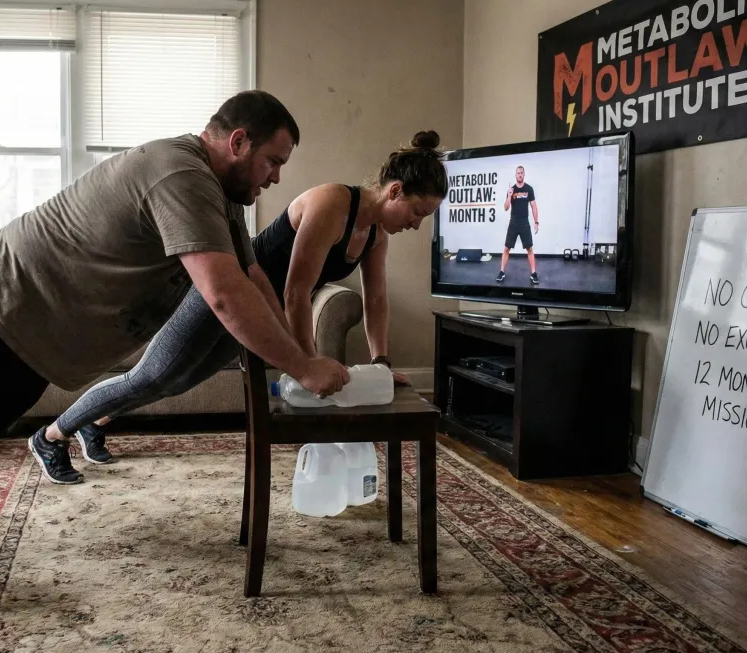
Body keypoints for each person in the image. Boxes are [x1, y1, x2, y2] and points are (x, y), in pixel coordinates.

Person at [0, 90, 352, 572]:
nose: (277, 177)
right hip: (3, 302)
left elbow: (253, 277)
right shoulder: (181, 175)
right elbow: (224, 295)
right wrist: (302, 368)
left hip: (34, 331)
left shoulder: (222, 198)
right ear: (238, 142)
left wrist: (298, 354)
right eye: (274, 161)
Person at [41, 131, 448, 477]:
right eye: (417, 211)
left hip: (258, 313)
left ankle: (96, 420)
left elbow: (376, 299)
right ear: (395, 191)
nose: (416, 224)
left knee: (175, 382)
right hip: (228, 291)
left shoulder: (376, 235)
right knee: (151, 375)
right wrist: (307, 363)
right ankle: (52, 435)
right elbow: (296, 291)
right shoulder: (333, 203)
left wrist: (381, 363)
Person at [497, 165, 540, 284]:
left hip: (524, 222)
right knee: (507, 248)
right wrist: (509, 195)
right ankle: (501, 272)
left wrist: (536, 222)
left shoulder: (529, 189)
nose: (520, 175)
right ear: (515, 175)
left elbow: (534, 206)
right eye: (518, 173)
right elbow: (506, 208)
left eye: (521, 173)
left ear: (524, 174)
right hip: (514, 222)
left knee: (529, 248)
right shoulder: (511, 190)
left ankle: (533, 273)